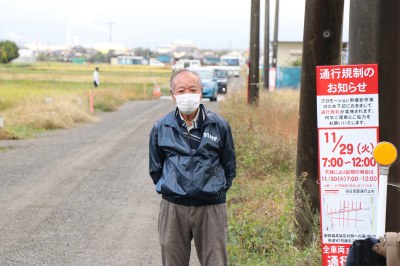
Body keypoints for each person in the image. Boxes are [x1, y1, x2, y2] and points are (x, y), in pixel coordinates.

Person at [149, 69, 236, 266]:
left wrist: (214, 190)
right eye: (181, 91)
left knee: (216, 262)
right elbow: (156, 168)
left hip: (211, 207)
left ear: (201, 92)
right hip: (173, 207)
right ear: (172, 95)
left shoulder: (219, 125)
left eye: (192, 89)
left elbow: (229, 166)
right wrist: (173, 187)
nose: (187, 95)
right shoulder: (161, 127)